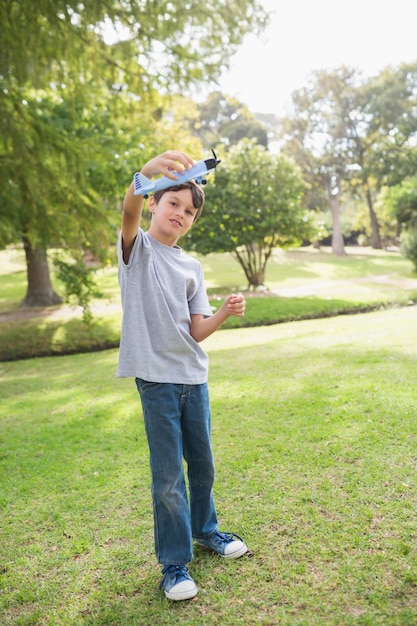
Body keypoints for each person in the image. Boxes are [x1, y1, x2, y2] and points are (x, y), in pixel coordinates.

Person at [116, 149, 248, 601]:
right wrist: (149, 171)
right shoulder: (136, 249)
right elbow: (129, 208)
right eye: (173, 203)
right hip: (156, 379)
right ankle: (174, 564)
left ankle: (207, 530)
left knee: (204, 464)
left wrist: (224, 315)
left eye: (189, 211)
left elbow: (197, 328)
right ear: (155, 203)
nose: (181, 214)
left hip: (194, 377)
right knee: (169, 474)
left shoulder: (192, 266)